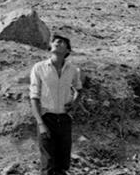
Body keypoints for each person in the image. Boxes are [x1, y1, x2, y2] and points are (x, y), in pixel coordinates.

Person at [29, 34, 82, 175]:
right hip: (47, 118)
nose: (57, 42)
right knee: (48, 164)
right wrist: (41, 124)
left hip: (65, 119)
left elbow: (79, 88)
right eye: (55, 41)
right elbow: (34, 97)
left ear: (67, 51)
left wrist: (74, 103)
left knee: (63, 163)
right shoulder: (39, 68)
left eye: (62, 42)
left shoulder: (73, 70)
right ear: (51, 46)